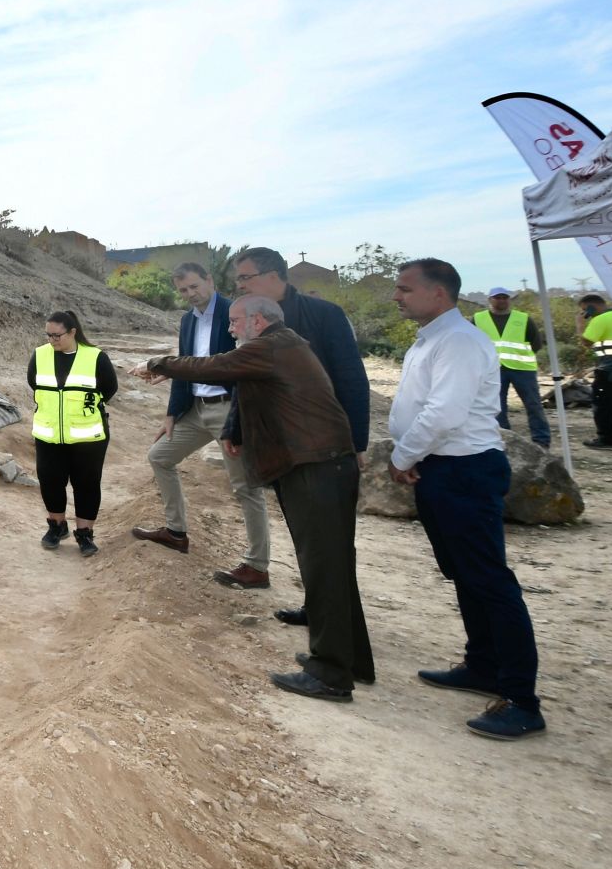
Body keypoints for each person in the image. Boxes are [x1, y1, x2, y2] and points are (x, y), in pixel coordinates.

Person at [139, 295, 372, 701]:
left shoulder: (272, 345)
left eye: (235, 322)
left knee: (323, 568)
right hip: (320, 465)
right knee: (332, 567)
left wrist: (158, 363)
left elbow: (215, 366)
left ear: (258, 321)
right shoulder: (284, 345)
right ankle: (352, 660)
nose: (230, 330)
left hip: (315, 467)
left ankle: (330, 673)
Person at [389, 258, 545, 740]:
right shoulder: (434, 337)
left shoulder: (458, 340)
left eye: (405, 288)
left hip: (465, 470)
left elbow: (445, 411)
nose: (397, 296)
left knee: (490, 580)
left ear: (439, 294)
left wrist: (402, 456)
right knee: (464, 573)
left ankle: (522, 699)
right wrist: (413, 455)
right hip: (442, 468)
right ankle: (483, 666)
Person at [226, 247, 371, 624]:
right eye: (238, 280)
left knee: (332, 543)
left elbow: (352, 381)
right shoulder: (249, 319)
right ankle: (317, 608)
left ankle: (338, 627)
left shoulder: (324, 315)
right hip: (279, 447)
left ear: (275, 275)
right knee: (307, 537)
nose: (239, 286)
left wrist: (357, 444)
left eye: (245, 278)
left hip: (321, 448)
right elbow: (244, 378)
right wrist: (234, 428)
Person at [130, 263, 272, 588]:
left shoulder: (233, 312)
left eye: (194, 286)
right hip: (196, 408)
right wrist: (172, 414)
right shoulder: (186, 320)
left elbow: (236, 366)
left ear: (209, 280)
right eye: (183, 290)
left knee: (246, 488)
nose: (190, 294)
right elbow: (185, 366)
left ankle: (257, 566)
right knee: (159, 456)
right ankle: (176, 532)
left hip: (229, 409)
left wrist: (241, 419)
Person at [29, 310, 118, 557]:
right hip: (48, 434)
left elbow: (109, 388)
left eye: (57, 336)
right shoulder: (39, 355)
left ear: (72, 332)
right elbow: (33, 383)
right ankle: (57, 526)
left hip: (87, 437)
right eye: (48, 335)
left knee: (86, 484)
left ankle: (85, 534)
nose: (52, 340)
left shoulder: (96, 357)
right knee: (50, 480)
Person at [473, 288, 550, 447]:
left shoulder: (523, 319)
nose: (501, 300)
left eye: (504, 297)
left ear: (509, 300)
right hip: (492, 370)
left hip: (522, 369)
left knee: (533, 404)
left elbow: (536, 343)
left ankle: (541, 440)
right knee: (497, 406)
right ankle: (502, 438)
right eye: (497, 298)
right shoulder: (478, 319)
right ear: (490, 300)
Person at [578, 294, 612, 450]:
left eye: (584, 310)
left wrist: (580, 324)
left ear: (590, 307)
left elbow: (587, 342)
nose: (584, 313)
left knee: (603, 408)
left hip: (610, 372)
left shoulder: (599, 320)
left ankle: (608, 439)